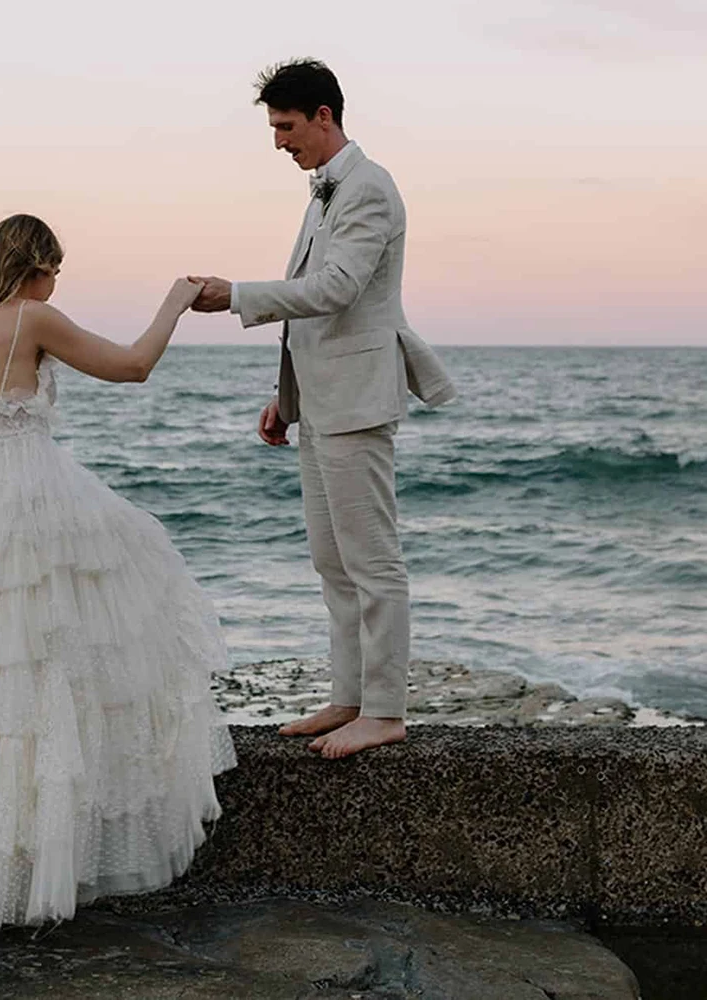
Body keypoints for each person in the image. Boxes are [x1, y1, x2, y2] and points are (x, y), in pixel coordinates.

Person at [0, 213, 236, 940]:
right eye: (56, 269)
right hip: (32, 497)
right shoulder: (31, 317)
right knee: (75, 644)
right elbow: (132, 366)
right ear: (37, 266)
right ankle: (51, 863)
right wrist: (174, 304)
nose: (57, 282)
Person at [191, 59, 456, 759]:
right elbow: (314, 305)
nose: (279, 141)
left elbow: (335, 288)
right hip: (322, 398)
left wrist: (236, 294)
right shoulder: (322, 193)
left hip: (360, 401)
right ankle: (349, 697)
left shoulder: (370, 188)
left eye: (285, 126)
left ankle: (387, 710)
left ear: (323, 116)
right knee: (330, 560)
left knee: (373, 562)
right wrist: (288, 399)